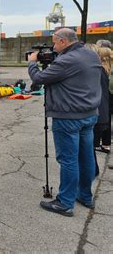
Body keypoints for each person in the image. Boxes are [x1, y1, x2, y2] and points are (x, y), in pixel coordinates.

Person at [28, 28, 102, 216]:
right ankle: (85, 196)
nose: (53, 46)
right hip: (90, 114)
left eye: (54, 42)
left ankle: (65, 202)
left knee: (68, 160)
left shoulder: (67, 60)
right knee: (86, 157)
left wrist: (32, 63)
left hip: (68, 117)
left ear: (62, 41)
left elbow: (38, 78)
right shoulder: (91, 54)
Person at [92, 45, 112, 153]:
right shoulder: (108, 69)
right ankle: (106, 144)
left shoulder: (100, 70)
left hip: (105, 101)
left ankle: (98, 143)